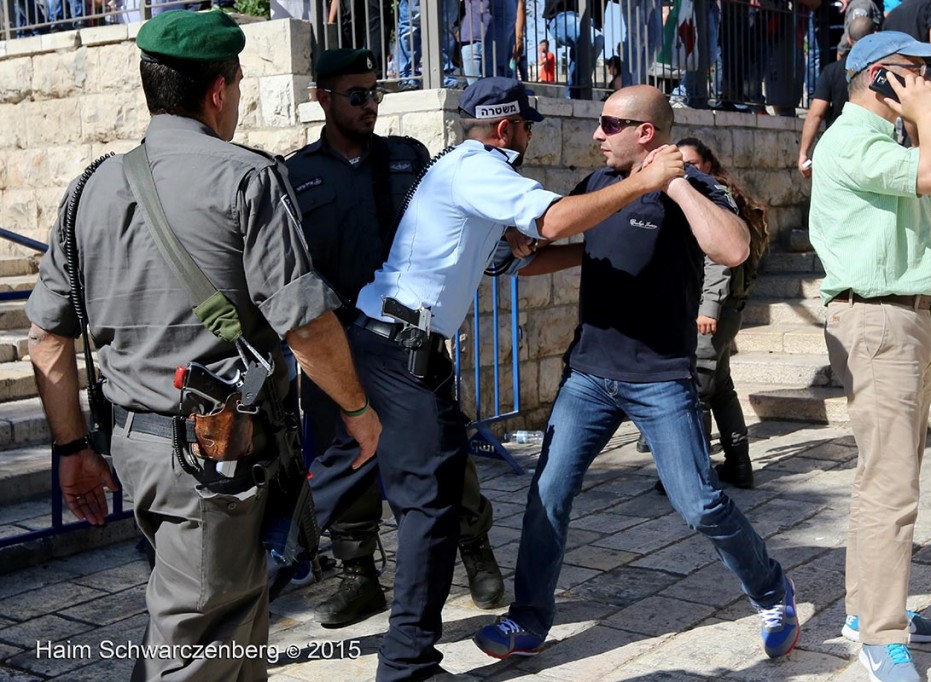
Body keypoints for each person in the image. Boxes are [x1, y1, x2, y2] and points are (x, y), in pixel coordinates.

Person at [24, 10, 381, 680]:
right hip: (215, 456)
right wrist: (359, 412)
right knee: (199, 645)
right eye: (239, 87)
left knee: (232, 621)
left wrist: (73, 448)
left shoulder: (89, 187)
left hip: (137, 447)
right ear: (220, 90)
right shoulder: (248, 178)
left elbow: (46, 339)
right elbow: (304, 326)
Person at [347, 76, 686, 680]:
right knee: (428, 510)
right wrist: (644, 183)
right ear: (507, 129)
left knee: (399, 496)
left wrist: (598, 248)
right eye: (529, 127)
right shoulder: (483, 168)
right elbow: (552, 222)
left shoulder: (464, 168)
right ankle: (406, 668)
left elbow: (524, 251)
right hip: (400, 352)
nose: (530, 138)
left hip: (400, 348)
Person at [472, 84, 800, 664]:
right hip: (589, 376)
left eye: (609, 124)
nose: (596, 134)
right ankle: (528, 620)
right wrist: (526, 253)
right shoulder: (600, 185)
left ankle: (773, 591)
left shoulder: (692, 187)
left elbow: (732, 249)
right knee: (548, 491)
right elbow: (565, 239)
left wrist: (670, 180)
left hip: (659, 379)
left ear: (645, 133)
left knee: (698, 503)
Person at [283, 47, 505, 626]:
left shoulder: (409, 160)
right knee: (348, 448)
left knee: (441, 453)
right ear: (322, 100)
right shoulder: (295, 175)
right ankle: (357, 571)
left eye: (374, 93)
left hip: (407, 340)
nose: (369, 105)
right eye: (355, 95)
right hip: (337, 343)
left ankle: (474, 548)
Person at [809, 31, 931, 682]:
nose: (930, 81)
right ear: (877, 77)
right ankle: (881, 636)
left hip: (902, 316)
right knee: (892, 487)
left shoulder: (878, 140)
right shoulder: (853, 139)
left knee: (885, 477)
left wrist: (927, 124)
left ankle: (865, 610)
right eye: (916, 72)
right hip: (879, 321)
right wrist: (929, 117)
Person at [678, 136, 770, 489]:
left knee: (699, 388)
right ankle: (739, 466)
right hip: (723, 309)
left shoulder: (714, 200)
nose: (686, 170)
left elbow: (719, 259)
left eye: (692, 164)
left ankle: (695, 475)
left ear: (708, 166)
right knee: (720, 388)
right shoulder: (711, 196)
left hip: (712, 310)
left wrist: (708, 308)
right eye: (681, 163)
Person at [799, 16, 878, 177]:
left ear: (849, 39)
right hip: (872, 149)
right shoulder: (880, 71)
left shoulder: (831, 71)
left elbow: (815, 114)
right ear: (874, 36)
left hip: (837, 148)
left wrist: (803, 154)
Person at [543, 0, 605, 98]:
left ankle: (576, 92)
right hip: (563, 15)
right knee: (590, 38)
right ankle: (578, 89)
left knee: (596, 41)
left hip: (592, 19)